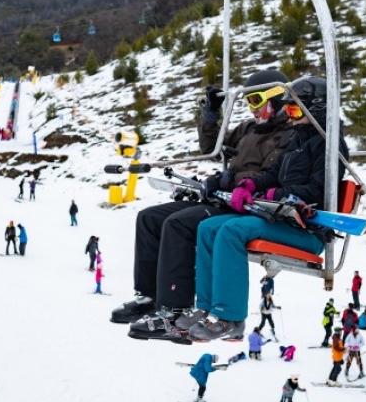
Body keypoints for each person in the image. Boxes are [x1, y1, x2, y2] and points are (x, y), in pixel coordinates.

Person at [114, 69, 301, 333]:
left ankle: (174, 308)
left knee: (178, 224)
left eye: (256, 101)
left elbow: (271, 175)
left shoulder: (289, 135)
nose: (252, 109)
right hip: (224, 198)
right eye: (247, 102)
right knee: (149, 218)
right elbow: (211, 148)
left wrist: (230, 179)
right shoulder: (248, 129)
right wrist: (211, 115)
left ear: (277, 99)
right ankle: (149, 296)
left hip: (249, 206)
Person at [187, 77, 350, 341]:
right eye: (289, 110)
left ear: (316, 109)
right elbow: (273, 174)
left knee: (231, 231)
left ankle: (230, 318)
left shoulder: (330, 146)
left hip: (306, 229)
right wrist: (251, 185)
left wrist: (280, 194)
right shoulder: (297, 139)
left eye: (296, 110)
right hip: (281, 218)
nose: (290, 115)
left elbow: (320, 190)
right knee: (207, 228)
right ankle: (206, 308)